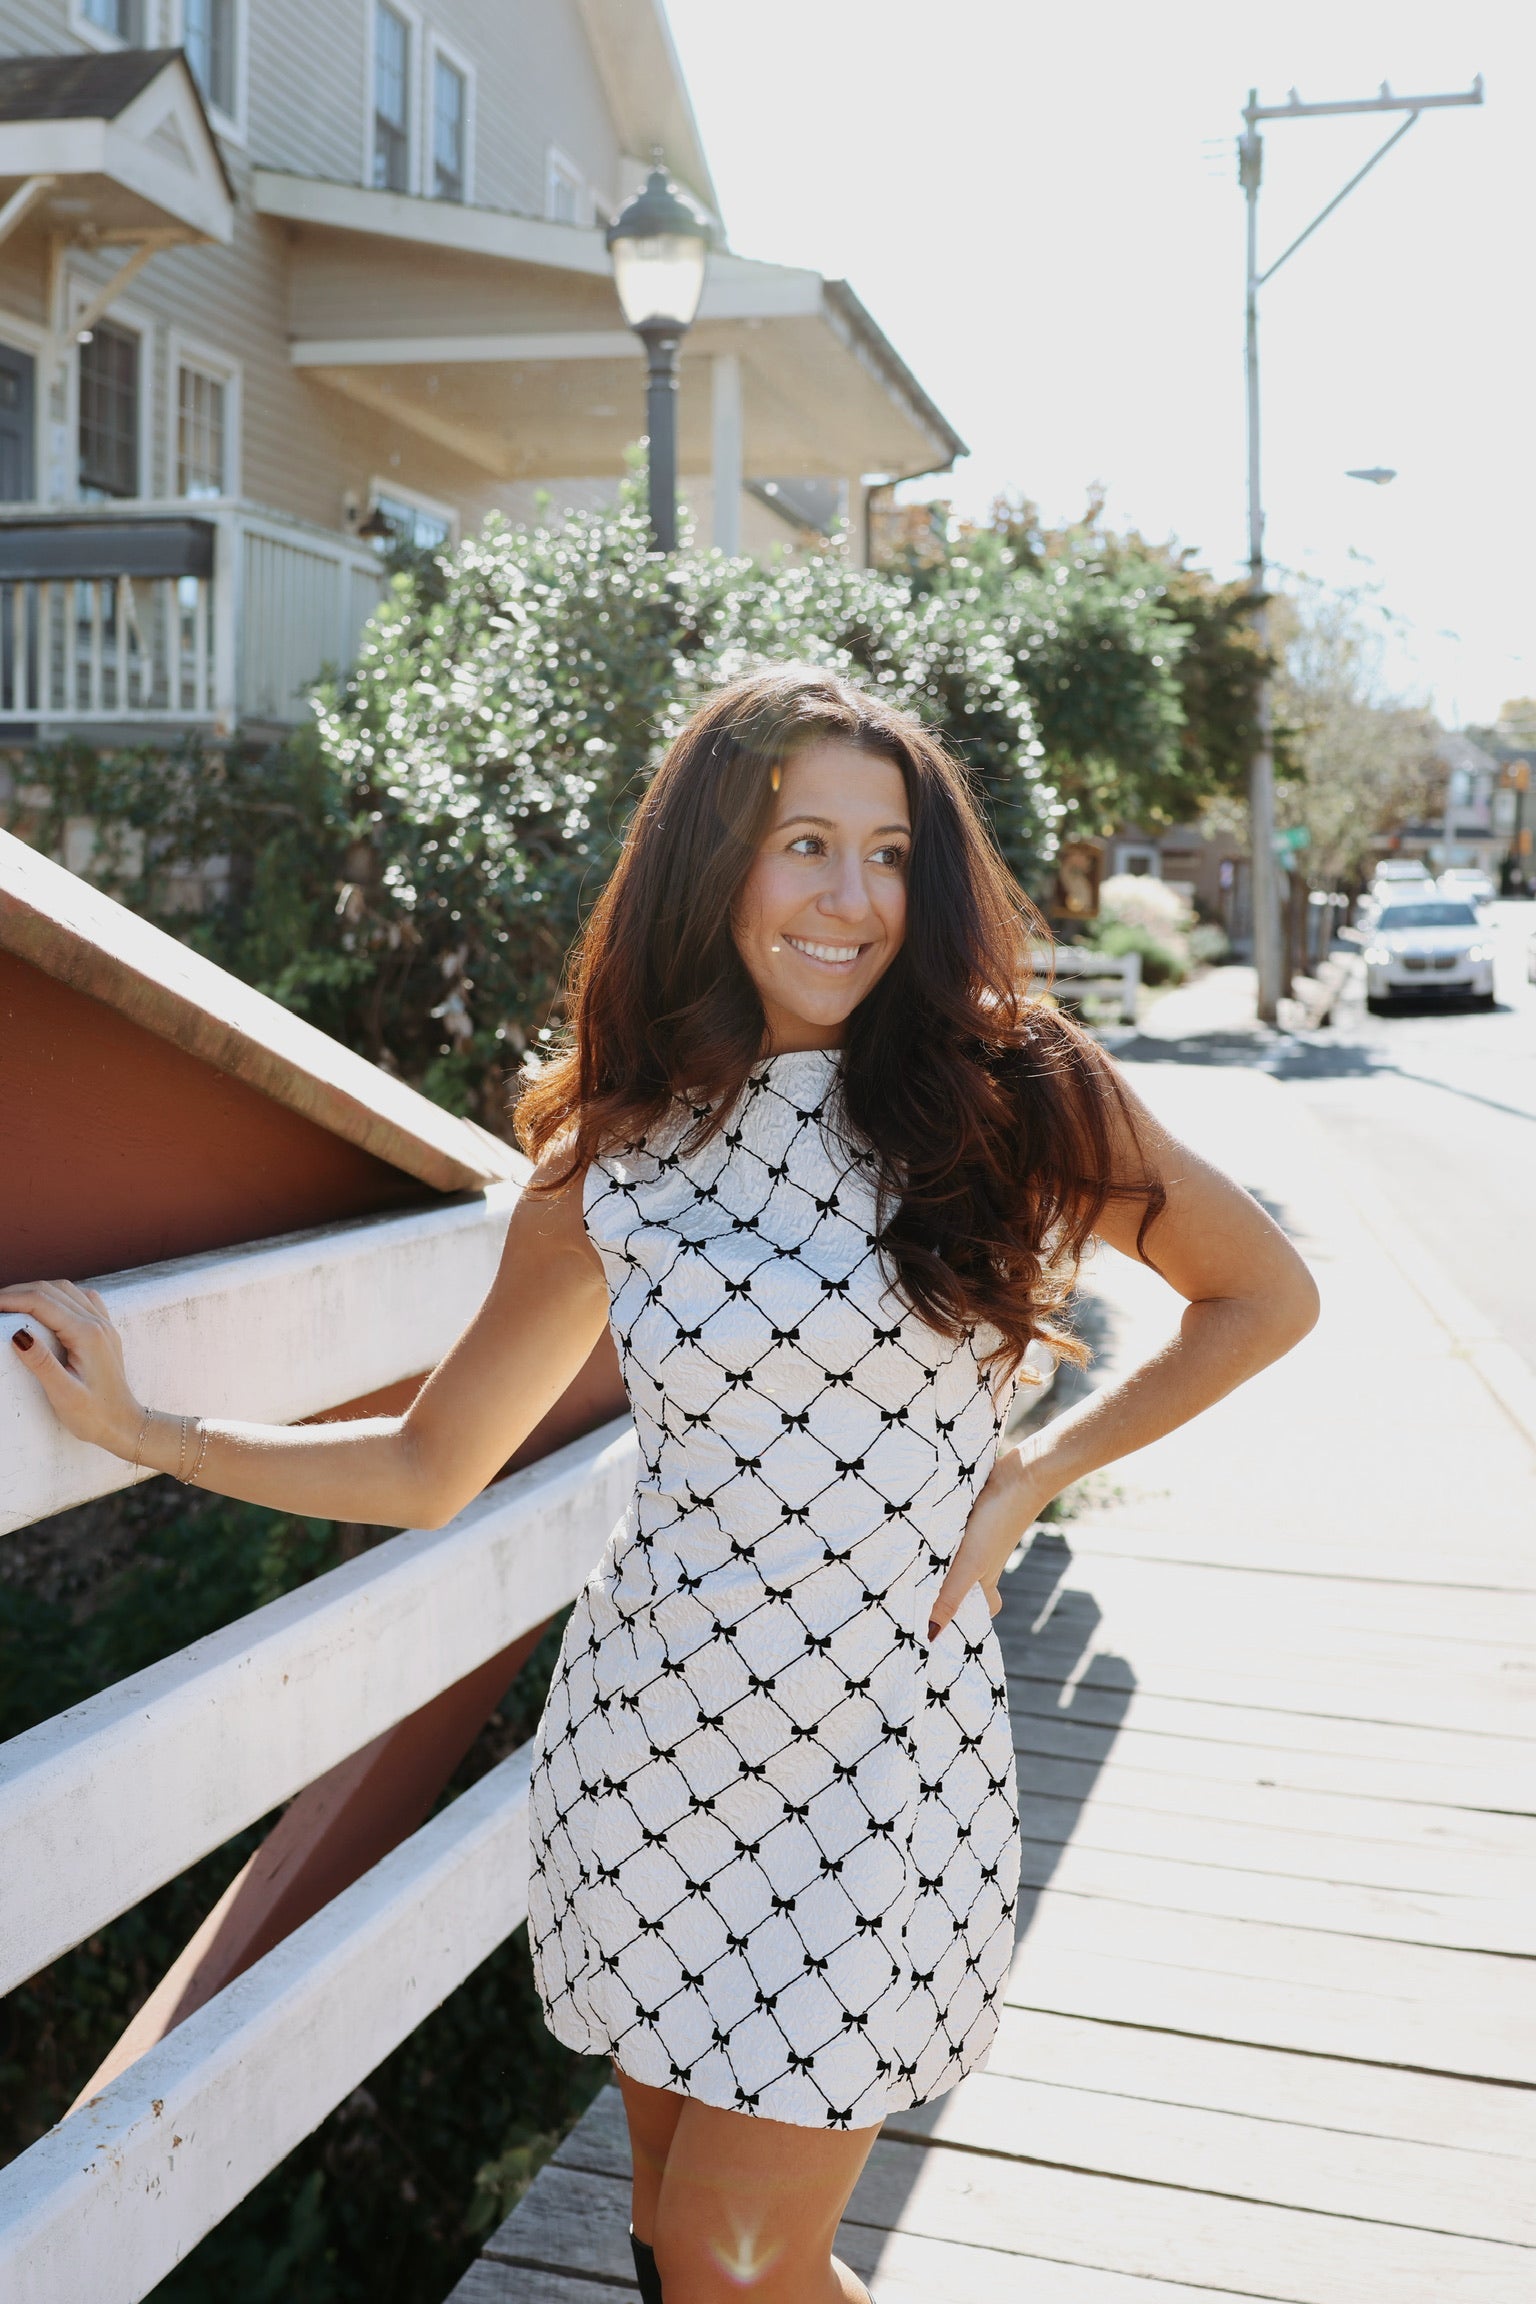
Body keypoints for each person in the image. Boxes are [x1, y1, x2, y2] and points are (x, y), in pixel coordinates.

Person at [2, 667, 1319, 2304]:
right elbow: (432, 1464)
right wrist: (155, 1434)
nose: (852, 900)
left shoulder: (1016, 1093)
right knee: (672, 2242)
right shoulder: (618, 1156)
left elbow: (1264, 1295)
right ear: (714, 866)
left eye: (892, 854)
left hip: (877, 1758)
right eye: (804, 846)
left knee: (733, 2257)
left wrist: (1038, 1472)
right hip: (652, 1749)